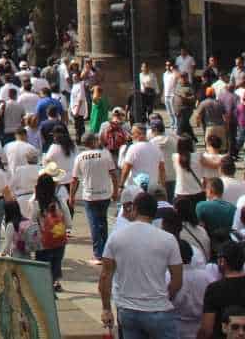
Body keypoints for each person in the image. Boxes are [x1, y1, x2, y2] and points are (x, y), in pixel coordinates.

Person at [100, 191, 183, 339]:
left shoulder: (116, 237)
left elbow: (105, 276)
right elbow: (177, 280)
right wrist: (164, 296)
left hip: (127, 311)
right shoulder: (168, 240)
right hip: (159, 310)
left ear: (135, 209)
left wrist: (106, 308)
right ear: (154, 212)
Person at [74, 132, 119, 264]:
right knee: (103, 222)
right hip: (105, 194)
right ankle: (106, 252)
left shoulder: (80, 157)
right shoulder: (105, 154)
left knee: (94, 224)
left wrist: (71, 196)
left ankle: (98, 254)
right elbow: (114, 175)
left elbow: (74, 179)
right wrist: (115, 191)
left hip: (89, 195)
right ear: (94, 141)